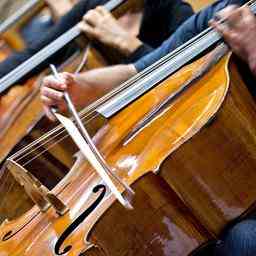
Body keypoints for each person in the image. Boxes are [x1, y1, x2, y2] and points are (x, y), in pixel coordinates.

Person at [40, 1, 256, 255]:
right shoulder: (227, 12)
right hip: (232, 191)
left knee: (244, 241)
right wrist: (79, 86)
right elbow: (144, 71)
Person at [0, 0, 194, 79]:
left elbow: (185, 74)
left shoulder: (174, 11)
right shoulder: (94, 5)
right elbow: (34, 55)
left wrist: (130, 45)